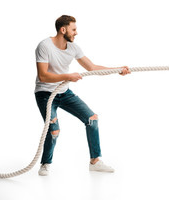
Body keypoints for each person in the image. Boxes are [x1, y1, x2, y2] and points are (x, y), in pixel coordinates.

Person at [35, 15, 130, 176]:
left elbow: (92, 68)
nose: (76, 33)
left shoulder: (73, 48)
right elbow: (43, 76)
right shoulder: (44, 46)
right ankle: (45, 163)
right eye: (74, 29)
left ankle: (95, 161)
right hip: (45, 93)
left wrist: (117, 69)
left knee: (92, 119)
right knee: (54, 131)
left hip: (64, 92)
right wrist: (68, 76)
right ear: (63, 29)